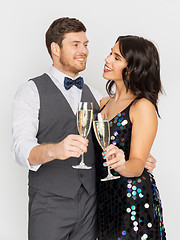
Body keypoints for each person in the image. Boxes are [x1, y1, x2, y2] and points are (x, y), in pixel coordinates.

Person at [12, 17, 157, 240]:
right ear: (55, 49)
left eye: (86, 44)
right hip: (50, 206)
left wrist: (136, 157)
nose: (84, 51)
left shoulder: (98, 96)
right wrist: (55, 150)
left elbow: (118, 135)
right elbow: (21, 150)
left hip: (94, 207)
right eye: (75, 44)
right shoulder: (30, 91)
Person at [96, 35, 166, 239]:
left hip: (131, 200)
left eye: (117, 57)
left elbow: (136, 165)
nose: (107, 59)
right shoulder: (102, 104)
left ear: (133, 68)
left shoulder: (142, 106)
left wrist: (121, 164)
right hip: (105, 198)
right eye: (110, 53)